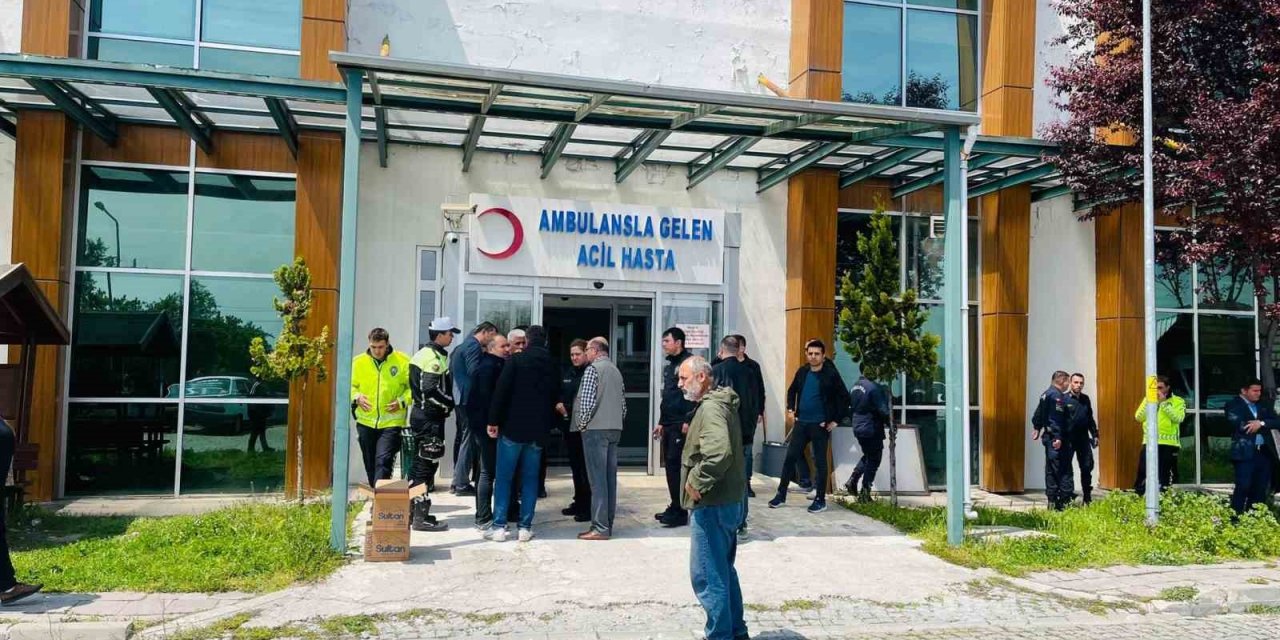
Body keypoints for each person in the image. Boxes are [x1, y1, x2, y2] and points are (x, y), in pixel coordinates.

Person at [678, 356, 747, 640]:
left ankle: (719, 634)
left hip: (713, 503)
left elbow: (719, 452)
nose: (680, 384)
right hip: (726, 500)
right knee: (722, 569)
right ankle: (735, 631)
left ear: (702, 378)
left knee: (708, 573)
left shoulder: (711, 410)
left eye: (684, 378)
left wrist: (696, 480)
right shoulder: (717, 404)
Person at [484, 326, 564, 542]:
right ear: (545, 341)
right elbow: (557, 395)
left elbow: (502, 391)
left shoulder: (516, 361)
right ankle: (525, 528)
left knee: (504, 478)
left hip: (512, 428)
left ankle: (499, 527)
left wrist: (493, 420)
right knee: (530, 480)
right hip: (538, 431)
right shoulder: (552, 363)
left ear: (527, 340)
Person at [770, 339, 849, 513]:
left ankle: (820, 499)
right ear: (807, 354)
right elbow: (792, 391)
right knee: (790, 458)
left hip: (820, 425)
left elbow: (844, 398)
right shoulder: (803, 371)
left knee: (820, 463)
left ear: (823, 355)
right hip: (802, 423)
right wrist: (791, 409)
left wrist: (835, 420)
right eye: (810, 353)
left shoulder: (830, 374)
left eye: (817, 354)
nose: (813, 357)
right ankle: (780, 495)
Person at [406, 317, 460, 532]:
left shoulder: (425, 354)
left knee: (422, 464)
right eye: (449, 333)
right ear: (439, 335)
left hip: (423, 417)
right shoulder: (432, 358)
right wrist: (449, 403)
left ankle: (414, 513)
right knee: (424, 466)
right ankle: (420, 517)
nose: (452, 337)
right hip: (429, 418)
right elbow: (429, 390)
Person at [576, 337, 626, 541]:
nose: (586, 353)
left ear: (595, 350)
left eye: (587, 349)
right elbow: (623, 405)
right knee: (609, 479)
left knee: (597, 481)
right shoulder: (615, 370)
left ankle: (600, 526)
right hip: (614, 427)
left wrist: (582, 424)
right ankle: (608, 522)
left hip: (596, 429)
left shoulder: (592, 370)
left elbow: (586, 402)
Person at [712, 336, 761, 539]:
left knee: (723, 477)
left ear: (722, 350)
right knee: (741, 478)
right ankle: (741, 522)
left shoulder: (717, 371)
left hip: (725, 433)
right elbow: (757, 400)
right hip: (746, 433)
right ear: (738, 349)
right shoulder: (750, 371)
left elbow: (713, 403)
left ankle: (726, 521)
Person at [351, 328, 412, 487]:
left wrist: (401, 401)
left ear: (387, 344)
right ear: (369, 344)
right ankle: (376, 493)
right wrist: (356, 397)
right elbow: (349, 386)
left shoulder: (402, 361)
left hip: (391, 423)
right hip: (366, 422)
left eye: (380, 347)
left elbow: (412, 389)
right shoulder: (358, 362)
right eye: (373, 347)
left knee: (383, 460)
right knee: (370, 462)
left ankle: (380, 498)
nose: (377, 351)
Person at [449, 322, 498, 497]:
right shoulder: (473, 347)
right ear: (485, 332)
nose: (493, 341)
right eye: (492, 336)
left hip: (461, 398)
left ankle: (458, 481)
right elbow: (475, 372)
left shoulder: (462, 346)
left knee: (466, 438)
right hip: (469, 399)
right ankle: (461, 483)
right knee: (468, 440)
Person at [467, 333, 509, 530]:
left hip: (485, 427)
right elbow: (486, 400)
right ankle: (483, 516)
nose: (508, 349)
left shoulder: (493, 366)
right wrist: (491, 424)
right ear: (492, 348)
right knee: (487, 471)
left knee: (487, 470)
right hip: (486, 429)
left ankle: (485, 514)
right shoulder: (488, 368)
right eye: (504, 346)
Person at [655, 327, 695, 528]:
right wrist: (661, 422)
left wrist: (689, 419)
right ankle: (675, 505)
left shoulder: (689, 364)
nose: (664, 345)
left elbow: (693, 395)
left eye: (666, 341)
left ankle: (681, 510)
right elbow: (668, 396)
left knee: (677, 465)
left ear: (678, 342)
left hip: (682, 423)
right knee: (670, 467)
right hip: (669, 423)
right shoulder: (669, 366)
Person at [1226, 378, 1280, 515]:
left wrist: (1260, 424)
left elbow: (1276, 421)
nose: (1258, 394)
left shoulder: (1263, 405)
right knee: (1243, 485)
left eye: (1260, 391)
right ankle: (1235, 517)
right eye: (1254, 391)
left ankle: (1254, 518)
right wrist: (1258, 425)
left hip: (1263, 452)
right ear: (1244, 391)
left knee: (1260, 488)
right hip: (1244, 452)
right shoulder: (1233, 404)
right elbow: (1240, 425)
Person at [1132, 375, 1185, 496]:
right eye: (1155, 388)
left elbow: (1179, 418)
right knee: (1143, 471)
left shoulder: (1178, 401)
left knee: (1165, 473)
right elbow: (1138, 417)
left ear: (1167, 388)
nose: (1157, 391)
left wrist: (1164, 403)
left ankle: (1164, 497)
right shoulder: (1149, 399)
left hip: (1168, 444)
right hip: (1150, 441)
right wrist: (1150, 402)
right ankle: (1139, 496)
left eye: (1160, 387)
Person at [1032, 370, 1077, 510]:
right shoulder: (1057, 397)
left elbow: (1038, 414)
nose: (1068, 385)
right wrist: (1058, 437)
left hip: (1049, 437)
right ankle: (1064, 501)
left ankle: (1051, 499)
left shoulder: (1045, 394)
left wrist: (1037, 428)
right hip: (1057, 439)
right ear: (1062, 381)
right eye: (1068, 382)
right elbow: (1056, 419)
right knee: (1063, 469)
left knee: (1051, 469)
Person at [843, 374, 890, 504]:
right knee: (874, 459)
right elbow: (883, 410)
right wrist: (892, 424)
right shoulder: (874, 388)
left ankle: (852, 480)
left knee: (869, 455)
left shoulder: (855, 386)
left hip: (858, 425)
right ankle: (865, 492)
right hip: (870, 427)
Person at [560, 339, 592, 522]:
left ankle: (587, 505)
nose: (574, 358)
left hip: (584, 428)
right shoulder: (569, 372)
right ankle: (578, 500)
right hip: (569, 427)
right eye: (572, 355)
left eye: (578, 354)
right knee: (575, 467)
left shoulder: (589, 373)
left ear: (586, 354)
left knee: (584, 469)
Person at [732, 334, 766, 498]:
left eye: (736, 346)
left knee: (747, 451)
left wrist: (760, 411)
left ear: (743, 348)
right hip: (729, 415)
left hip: (748, 415)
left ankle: (746, 483)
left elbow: (760, 390)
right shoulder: (721, 364)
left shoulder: (753, 366)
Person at [1067, 373, 1099, 504]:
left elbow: (1090, 418)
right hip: (1068, 439)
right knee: (1066, 468)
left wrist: (1095, 434)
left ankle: (1087, 496)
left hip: (1083, 439)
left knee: (1087, 467)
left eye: (1081, 383)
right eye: (1076, 382)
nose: (1078, 385)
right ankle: (1067, 495)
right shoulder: (1064, 399)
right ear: (1070, 382)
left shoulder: (1085, 399)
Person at [246, 379, 274, 454]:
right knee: (255, 431)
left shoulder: (262, 385)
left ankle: (265, 447)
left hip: (261, 413)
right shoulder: (256, 385)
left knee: (261, 431)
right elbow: (251, 398)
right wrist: (255, 412)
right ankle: (250, 448)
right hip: (256, 413)